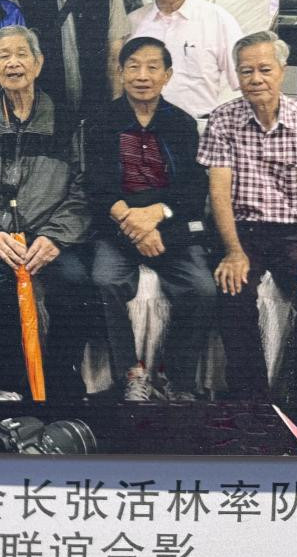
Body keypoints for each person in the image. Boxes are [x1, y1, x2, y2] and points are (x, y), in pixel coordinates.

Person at [198, 30, 297, 451]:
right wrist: (232, 251)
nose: (256, 79)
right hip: (243, 229)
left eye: (265, 69)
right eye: (246, 71)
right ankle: (252, 404)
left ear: (282, 71)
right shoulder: (224, 119)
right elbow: (219, 193)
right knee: (231, 291)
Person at [0, 25, 93, 400]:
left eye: (22, 55)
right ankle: (7, 382)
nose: (14, 63)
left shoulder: (65, 121)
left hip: (47, 235)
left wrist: (55, 237)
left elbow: (82, 190)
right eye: (4, 56)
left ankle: (61, 378)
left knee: (75, 280)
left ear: (38, 63)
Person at [86, 36, 216, 401]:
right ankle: (131, 372)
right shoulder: (101, 121)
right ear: (120, 72)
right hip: (119, 226)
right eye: (133, 67)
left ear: (167, 75)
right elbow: (96, 187)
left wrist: (157, 215)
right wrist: (135, 226)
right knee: (105, 281)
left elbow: (193, 190)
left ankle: (175, 376)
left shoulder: (182, 124)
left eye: (152, 67)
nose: (142, 76)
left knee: (202, 289)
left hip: (169, 226)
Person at [126, 0, 242, 121]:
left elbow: (242, 80)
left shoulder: (217, 20)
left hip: (200, 127)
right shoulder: (133, 23)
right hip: (144, 129)